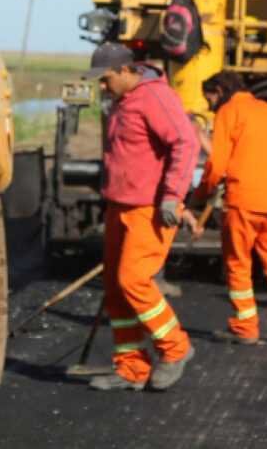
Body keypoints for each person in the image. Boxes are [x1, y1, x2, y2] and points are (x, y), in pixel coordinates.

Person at [86, 42, 199, 391]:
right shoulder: (124, 101)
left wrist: (172, 197)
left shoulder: (154, 97)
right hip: (120, 205)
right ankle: (131, 368)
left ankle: (176, 348)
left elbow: (186, 142)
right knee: (117, 289)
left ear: (124, 70)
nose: (102, 88)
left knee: (134, 280)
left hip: (149, 208)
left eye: (105, 80)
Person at [192, 71, 267, 345]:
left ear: (220, 90)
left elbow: (217, 164)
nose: (209, 105)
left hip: (243, 201)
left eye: (210, 98)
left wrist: (199, 195)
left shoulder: (229, 112)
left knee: (238, 263)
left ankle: (245, 328)